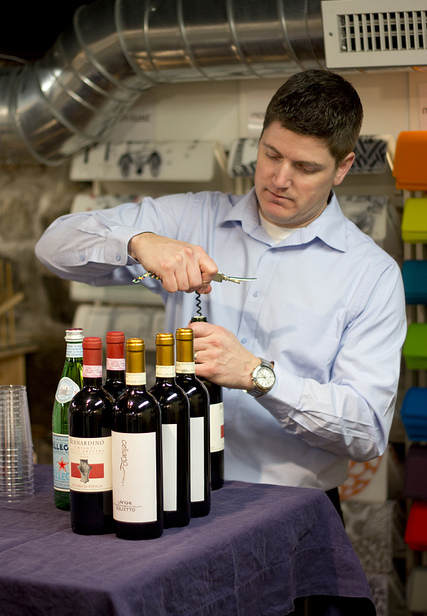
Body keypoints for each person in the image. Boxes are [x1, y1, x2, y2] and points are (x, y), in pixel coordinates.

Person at [35, 69, 407, 510]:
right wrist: (138, 242)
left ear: (342, 167)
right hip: (175, 492)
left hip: (291, 510)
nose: (279, 179)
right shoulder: (193, 219)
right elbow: (52, 247)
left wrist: (257, 375)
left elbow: (367, 432)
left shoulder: (371, 275)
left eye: (305, 167)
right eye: (271, 154)